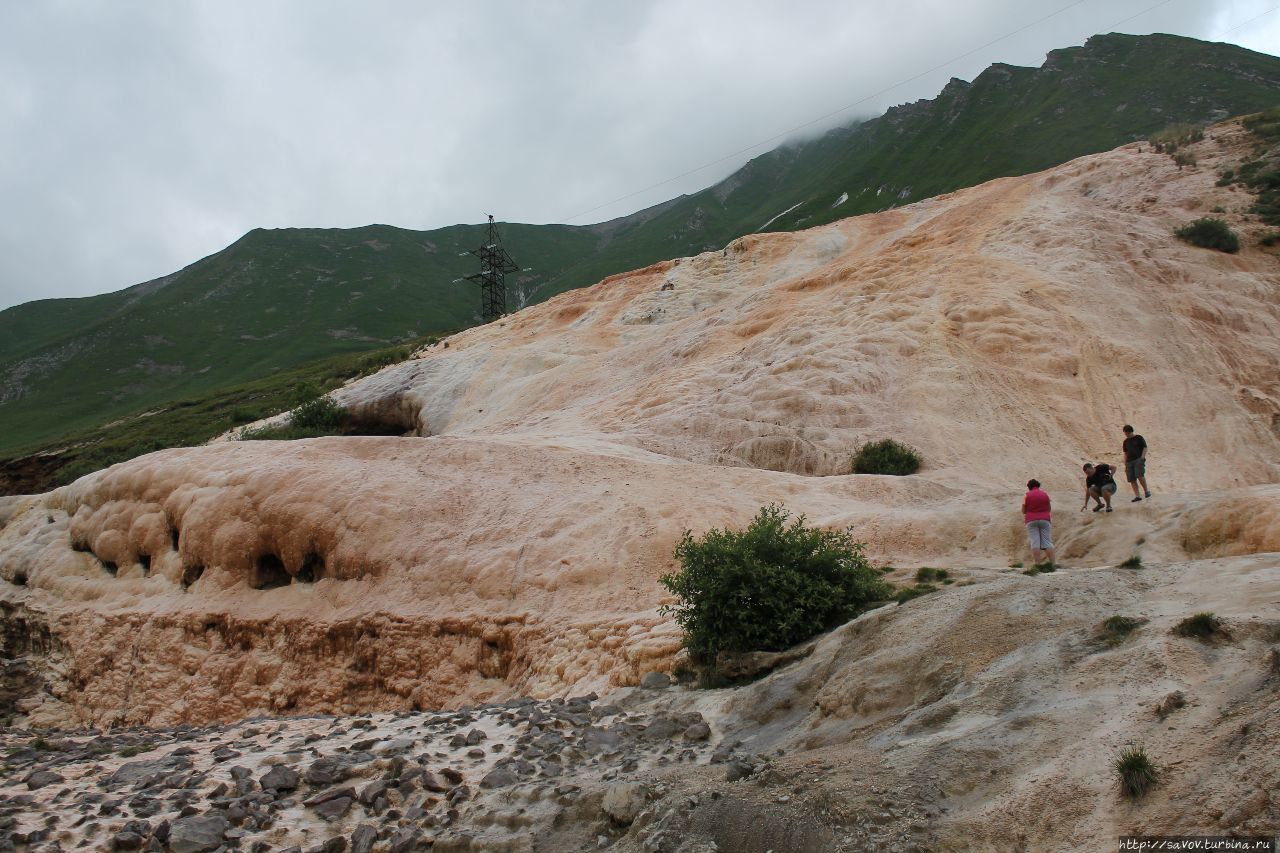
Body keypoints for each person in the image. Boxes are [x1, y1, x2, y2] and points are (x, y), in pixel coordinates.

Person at [1022, 479, 1055, 567]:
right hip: (1045, 519)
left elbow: (1023, 511)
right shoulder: (1045, 494)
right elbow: (1049, 509)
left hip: (1031, 520)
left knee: (1035, 542)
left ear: (1029, 487)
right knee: (1047, 542)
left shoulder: (1027, 495)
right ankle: (1052, 564)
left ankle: (1037, 564)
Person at [1122, 425, 1152, 502]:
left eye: (1127, 433)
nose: (1126, 435)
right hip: (1129, 461)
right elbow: (1125, 452)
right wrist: (1125, 461)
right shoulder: (1125, 442)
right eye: (1125, 434)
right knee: (1132, 479)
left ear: (1131, 431)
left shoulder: (1139, 438)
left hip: (1138, 459)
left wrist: (1142, 457)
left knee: (1140, 475)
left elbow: (1145, 447)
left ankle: (1146, 491)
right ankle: (1137, 496)